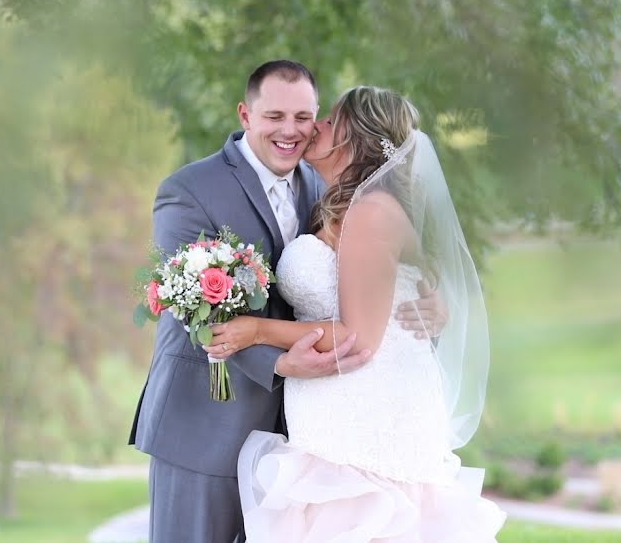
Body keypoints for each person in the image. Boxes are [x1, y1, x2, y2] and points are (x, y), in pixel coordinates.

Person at [129, 62, 446, 542]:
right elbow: (190, 304)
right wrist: (277, 362)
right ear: (245, 114)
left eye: (306, 117)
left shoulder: (333, 188)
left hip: (308, 431)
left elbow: (389, 272)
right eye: (274, 115)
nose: (294, 130)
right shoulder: (190, 190)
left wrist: (433, 300)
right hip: (208, 422)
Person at [206, 86, 507, 541]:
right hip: (340, 408)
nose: (317, 126)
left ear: (359, 139)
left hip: (367, 418)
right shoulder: (339, 203)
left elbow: (359, 339)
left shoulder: (370, 212)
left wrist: (256, 330)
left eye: (332, 120)